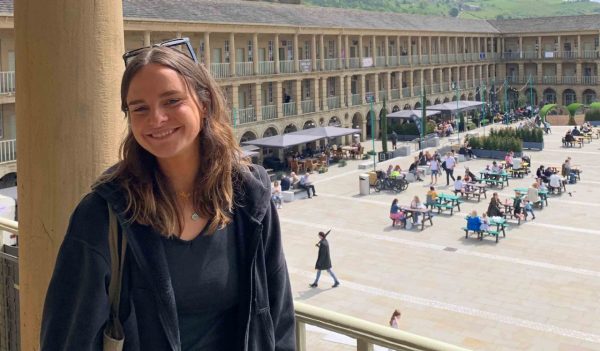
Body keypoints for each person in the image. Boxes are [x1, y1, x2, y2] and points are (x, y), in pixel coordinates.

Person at [40, 45, 295, 349]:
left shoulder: (249, 195)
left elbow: (278, 318)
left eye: (172, 101)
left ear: (204, 103)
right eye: (139, 108)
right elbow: (68, 337)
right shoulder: (102, 214)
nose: (156, 118)